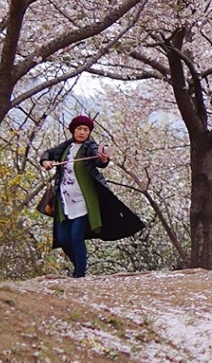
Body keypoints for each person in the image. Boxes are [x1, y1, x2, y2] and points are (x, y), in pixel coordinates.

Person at [35, 115, 145, 277]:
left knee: (76, 236)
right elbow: (47, 154)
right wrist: (46, 162)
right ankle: (79, 264)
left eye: (86, 130)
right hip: (64, 200)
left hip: (83, 201)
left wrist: (103, 158)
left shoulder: (89, 147)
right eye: (79, 129)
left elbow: (99, 159)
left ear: (89, 132)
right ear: (73, 130)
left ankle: (80, 274)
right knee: (63, 238)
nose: (82, 132)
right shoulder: (66, 147)